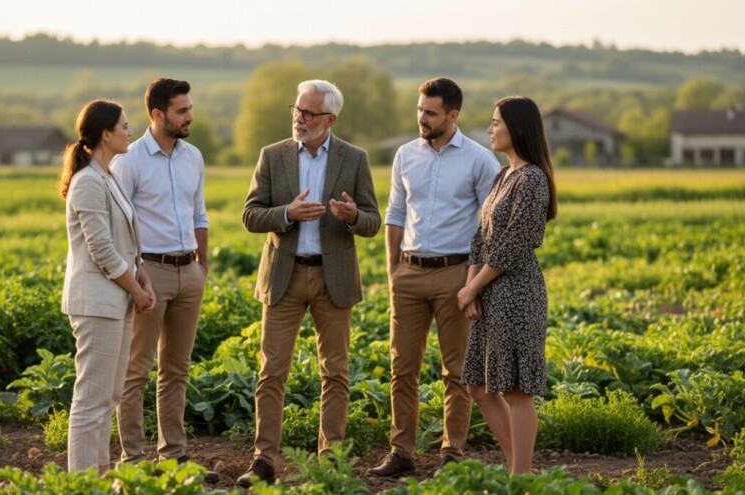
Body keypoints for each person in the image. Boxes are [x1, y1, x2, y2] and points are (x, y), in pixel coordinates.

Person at [237, 80, 381, 488]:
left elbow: (373, 220)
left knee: (335, 372)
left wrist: (353, 217)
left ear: (330, 119)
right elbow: (250, 215)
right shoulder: (272, 155)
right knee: (271, 372)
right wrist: (287, 213)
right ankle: (263, 461)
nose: (299, 118)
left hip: (333, 278)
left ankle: (329, 461)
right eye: (297, 110)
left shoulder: (355, 158)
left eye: (308, 113)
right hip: (284, 276)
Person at [367, 77, 499, 479]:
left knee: (455, 371)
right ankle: (401, 452)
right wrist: (393, 269)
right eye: (419, 110)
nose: (421, 118)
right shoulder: (405, 155)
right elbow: (395, 213)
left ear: (452, 115)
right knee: (401, 367)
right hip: (408, 273)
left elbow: (490, 227)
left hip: (456, 275)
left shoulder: (480, 160)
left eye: (430, 112)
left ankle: (451, 454)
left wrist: (473, 284)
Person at [110, 78, 215, 480]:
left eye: (190, 108)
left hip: (189, 272)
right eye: (181, 110)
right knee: (136, 370)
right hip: (148, 271)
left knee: (177, 369)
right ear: (157, 114)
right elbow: (119, 225)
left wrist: (201, 265)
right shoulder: (129, 161)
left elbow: (199, 213)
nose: (190, 116)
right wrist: (136, 277)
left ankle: (174, 457)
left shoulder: (193, 157)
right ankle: (134, 461)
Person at [457, 96, 557, 474]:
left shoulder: (532, 179)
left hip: (517, 293)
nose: (490, 129)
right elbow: (481, 238)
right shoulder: (503, 176)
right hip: (489, 290)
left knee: (516, 390)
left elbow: (515, 244)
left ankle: (520, 478)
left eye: (496, 122)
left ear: (517, 127)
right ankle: (521, 470)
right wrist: (471, 287)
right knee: (479, 387)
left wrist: (472, 288)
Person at [59, 99, 156, 473]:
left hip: (115, 300)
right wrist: (136, 289)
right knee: (91, 399)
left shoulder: (107, 175)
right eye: (124, 126)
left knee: (110, 395)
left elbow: (124, 239)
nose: (130, 132)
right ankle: (83, 483)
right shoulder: (87, 182)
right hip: (96, 301)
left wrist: (142, 275)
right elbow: (100, 247)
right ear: (105, 134)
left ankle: (98, 476)